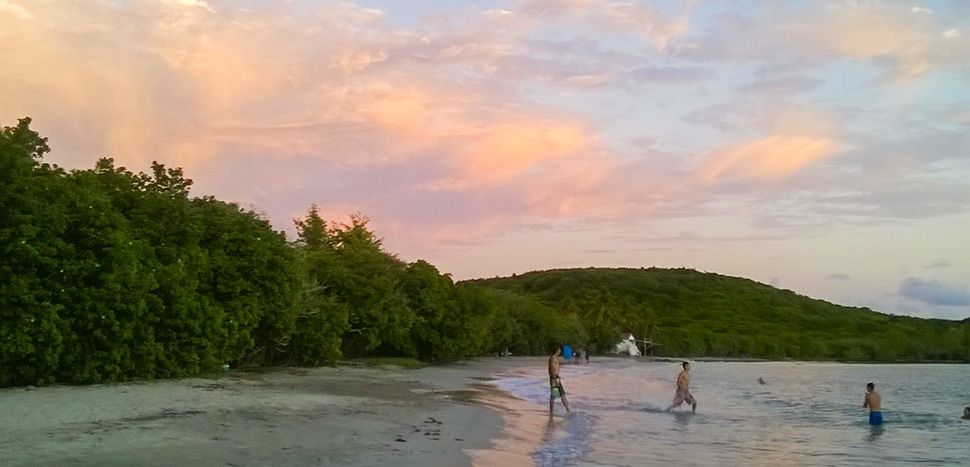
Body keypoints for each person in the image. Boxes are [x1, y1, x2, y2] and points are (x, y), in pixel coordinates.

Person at [548, 347, 571, 415]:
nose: (560, 351)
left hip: (556, 378)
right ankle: (552, 411)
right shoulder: (553, 358)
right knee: (555, 395)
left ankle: (568, 410)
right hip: (554, 378)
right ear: (556, 350)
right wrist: (555, 379)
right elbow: (552, 369)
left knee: (561, 394)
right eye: (559, 350)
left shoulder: (554, 358)